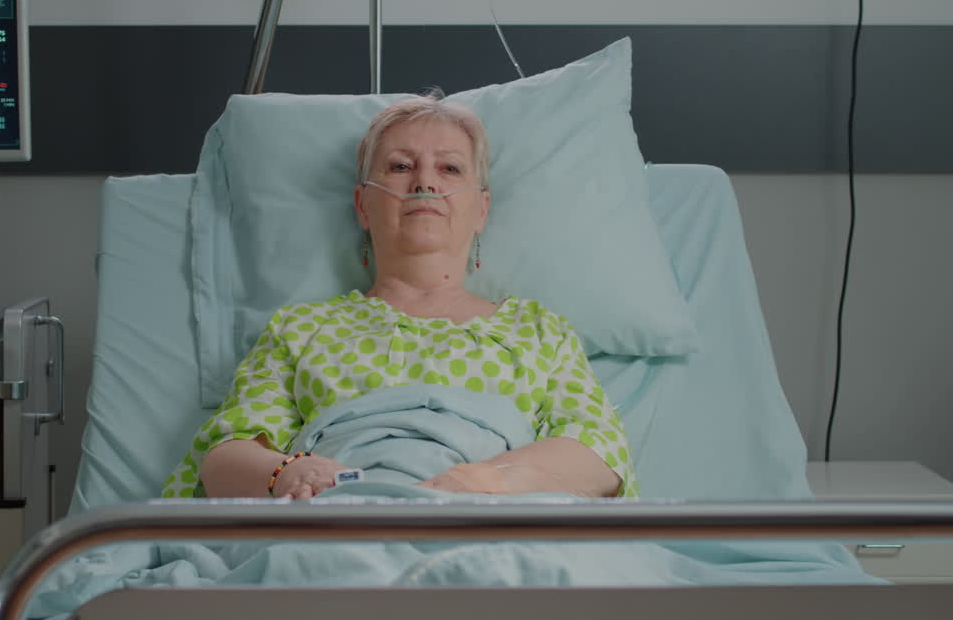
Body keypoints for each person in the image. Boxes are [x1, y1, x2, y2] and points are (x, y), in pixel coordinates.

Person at [162, 95, 637, 501]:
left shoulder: (539, 332)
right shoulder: (301, 330)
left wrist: (476, 483)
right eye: (400, 166)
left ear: (482, 209)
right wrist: (287, 473)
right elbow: (224, 456)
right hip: (337, 532)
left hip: (490, 531)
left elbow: (599, 453)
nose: (425, 183)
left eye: (449, 168)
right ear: (362, 205)